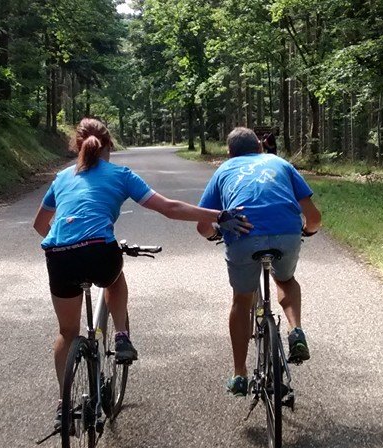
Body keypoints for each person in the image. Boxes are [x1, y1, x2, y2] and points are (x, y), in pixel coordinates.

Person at [33, 118, 250, 427]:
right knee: (115, 282)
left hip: (58, 254)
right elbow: (169, 208)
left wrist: (67, 241)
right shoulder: (120, 174)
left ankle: (63, 407)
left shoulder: (62, 178)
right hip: (99, 249)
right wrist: (219, 215)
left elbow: (41, 226)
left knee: (67, 332)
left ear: (76, 147)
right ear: (109, 146)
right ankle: (121, 337)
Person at [196, 127, 322, 396]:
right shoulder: (280, 163)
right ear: (260, 147)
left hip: (242, 236)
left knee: (242, 300)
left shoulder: (224, 170)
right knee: (285, 279)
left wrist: (215, 234)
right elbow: (313, 217)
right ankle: (295, 330)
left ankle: (239, 374)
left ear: (229, 153)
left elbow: (202, 225)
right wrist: (307, 231)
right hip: (286, 233)